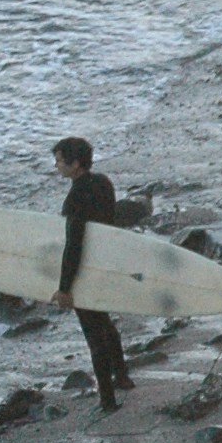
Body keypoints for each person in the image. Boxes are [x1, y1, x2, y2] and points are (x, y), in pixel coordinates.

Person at [51, 137, 134, 412]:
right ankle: (122, 376)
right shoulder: (104, 183)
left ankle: (107, 400)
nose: (57, 165)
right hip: (106, 263)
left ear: (75, 165)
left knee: (93, 334)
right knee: (105, 323)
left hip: (85, 270)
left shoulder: (75, 197)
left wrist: (64, 287)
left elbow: (74, 244)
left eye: (60, 160)